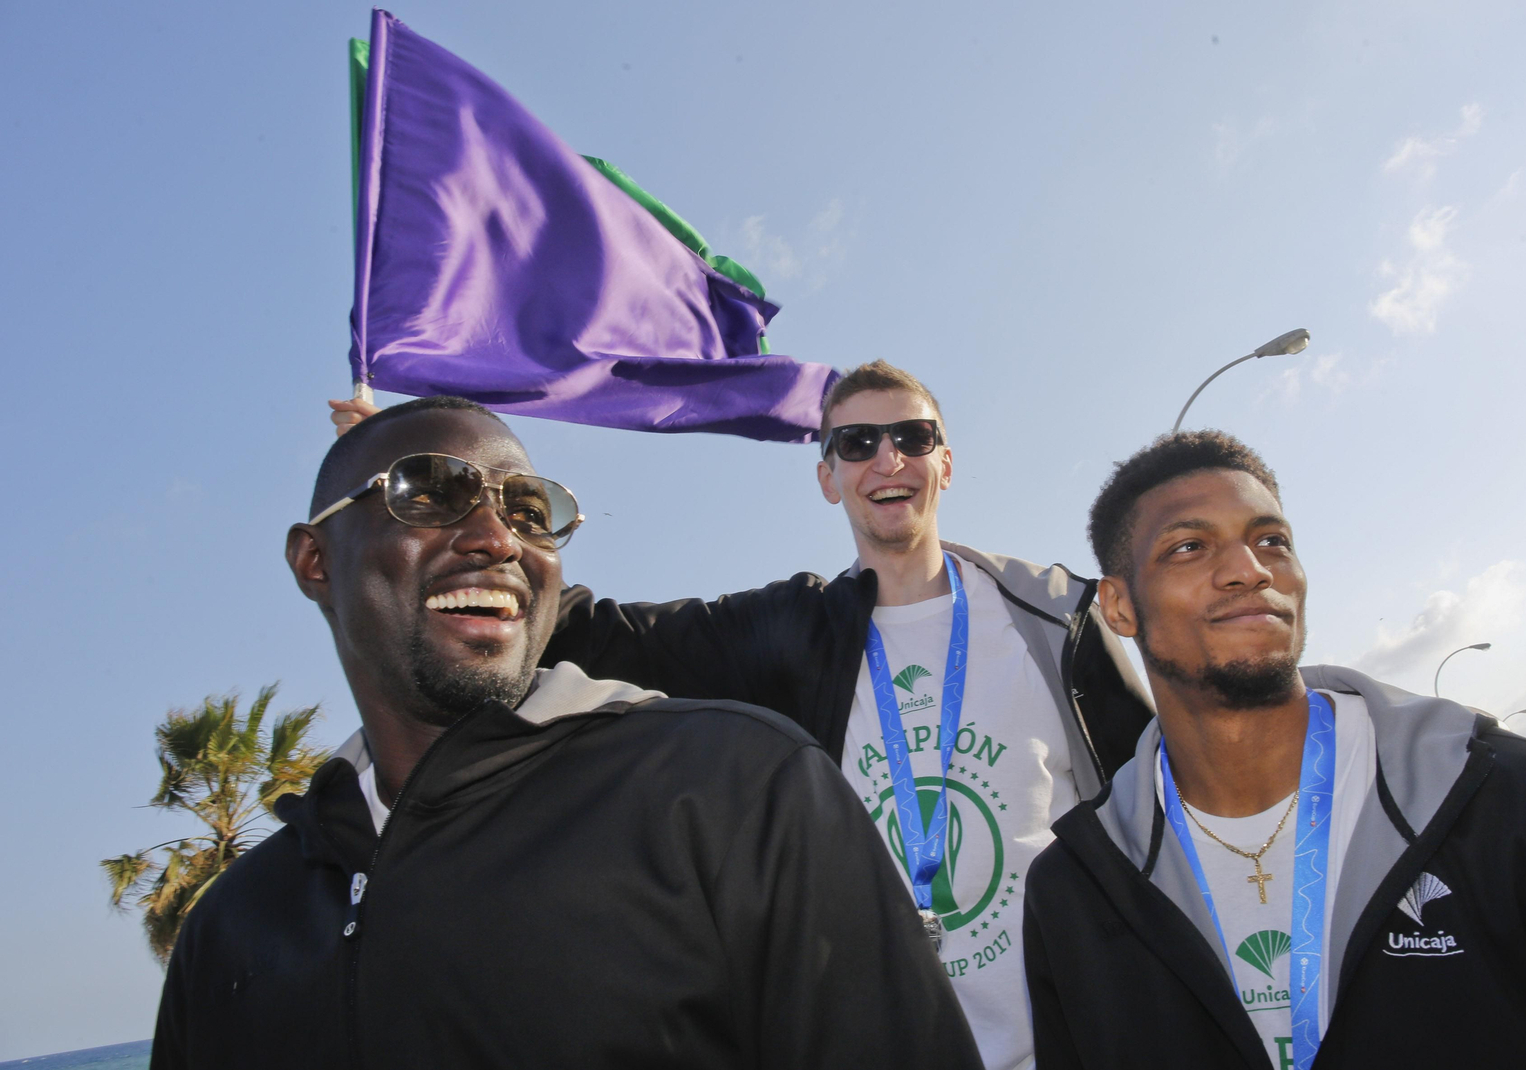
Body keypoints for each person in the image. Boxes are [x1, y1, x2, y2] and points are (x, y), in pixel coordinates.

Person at [331, 362, 1155, 1070]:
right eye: (856, 443)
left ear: (945, 462)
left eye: (910, 436)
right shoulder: (788, 632)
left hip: (1076, 1041)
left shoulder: (1052, 617)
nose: (887, 459)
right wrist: (414, 485)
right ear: (828, 476)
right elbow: (590, 632)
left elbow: (1158, 812)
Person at [153, 396, 983, 1070]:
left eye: (529, 509)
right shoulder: (231, 930)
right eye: (429, 490)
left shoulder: (736, 790)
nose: (496, 537)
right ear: (316, 562)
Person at [1023, 430, 1526, 1070]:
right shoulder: (1075, 890)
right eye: (1189, 547)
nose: (1251, 568)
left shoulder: (1522, 805)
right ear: (1120, 606)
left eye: (1272, 541)